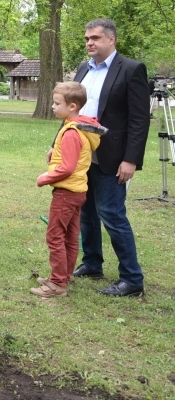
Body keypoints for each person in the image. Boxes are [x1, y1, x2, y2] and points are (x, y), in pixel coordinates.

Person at [66, 18, 150, 297]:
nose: (90, 43)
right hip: (81, 154)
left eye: (95, 38)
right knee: (86, 211)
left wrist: (131, 159)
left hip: (113, 157)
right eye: (87, 39)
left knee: (111, 214)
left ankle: (132, 278)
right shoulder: (82, 69)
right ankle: (92, 263)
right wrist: (59, 144)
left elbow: (139, 120)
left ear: (111, 39)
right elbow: (72, 111)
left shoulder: (131, 69)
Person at [33, 82, 105, 298]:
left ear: (72, 106)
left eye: (57, 103)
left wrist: (45, 178)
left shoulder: (72, 132)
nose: (53, 107)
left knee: (55, 236)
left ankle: (57, 284)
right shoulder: (79, 127)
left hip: (66, 194)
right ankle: (63, 277)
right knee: (71, 237)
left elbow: (68, 167)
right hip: (77, 192)